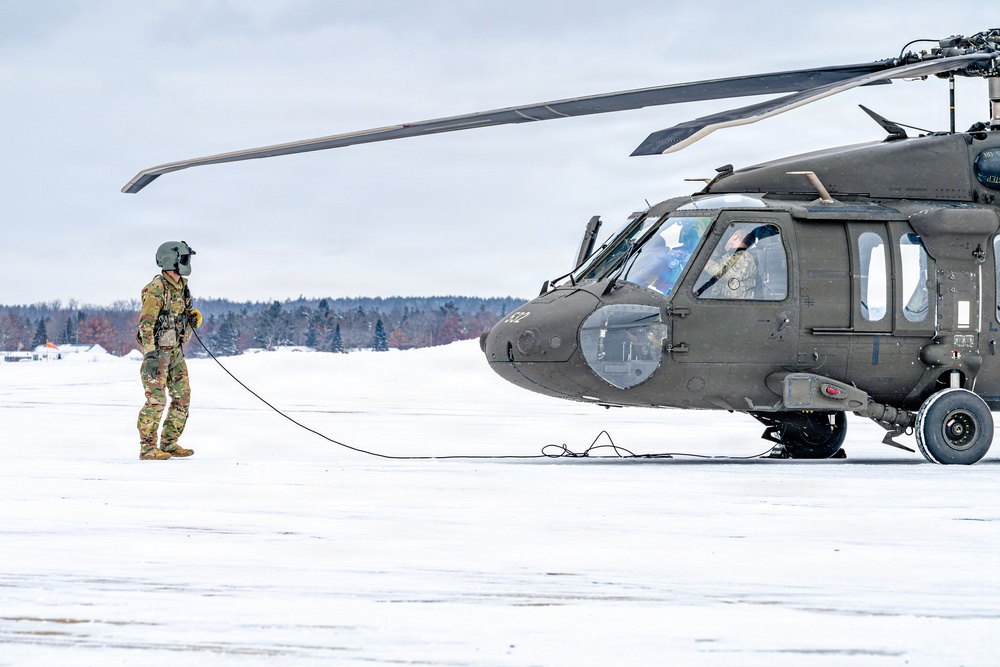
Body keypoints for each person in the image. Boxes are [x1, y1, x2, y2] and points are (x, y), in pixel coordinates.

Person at [136, 241, 203, 460]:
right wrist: (150, 354)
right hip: (158, 354)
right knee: (156, 401)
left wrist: (191, 321)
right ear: (171, 261)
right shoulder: (157, 288)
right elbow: (146, 325)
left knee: (182, 398)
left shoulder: (183, 287)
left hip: (175, 352)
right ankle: (148, 449)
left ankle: (169, 443)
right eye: (183, 259)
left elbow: (181, 321)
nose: (186, 263)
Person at [697, 226, 759, 299]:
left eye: (730, 235)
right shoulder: (730, 256)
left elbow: (724, 273)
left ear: (736, 236)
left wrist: (702, 262)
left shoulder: (743, 256)